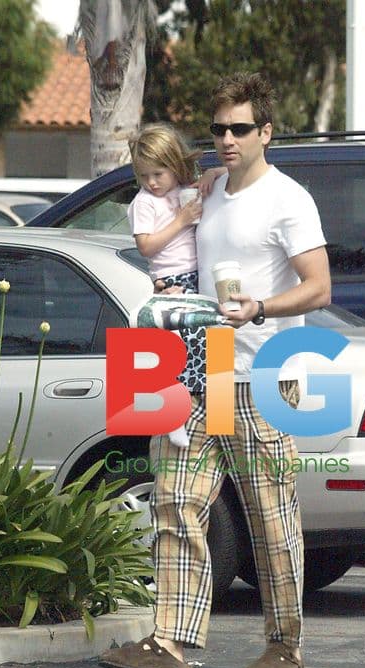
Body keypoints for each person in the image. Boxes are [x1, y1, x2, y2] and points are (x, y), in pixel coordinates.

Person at [99, 73, 331, 668]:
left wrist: (258, 307)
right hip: (199, 368)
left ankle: (285, 644)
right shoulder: (206, 190)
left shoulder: (290, 200)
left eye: (240, 128)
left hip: (260, 372)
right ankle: (170, 642)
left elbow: (319, 287)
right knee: (176, 500)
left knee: (268, 510)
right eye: (219, 128)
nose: (227, 138)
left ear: (266, 133)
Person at [126, 122, 223, 446]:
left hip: (200, 278)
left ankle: (219, 416)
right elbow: (146, 246)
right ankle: (172, 417)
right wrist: (180, 221)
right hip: (173, 281)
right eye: (144, 176)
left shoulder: (182, 191)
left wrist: (211, 175)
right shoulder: (145, 202)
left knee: (214, 343)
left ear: (175, 166)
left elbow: (229, 176)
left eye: (159, 173)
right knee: (181, 352)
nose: (152, 183)